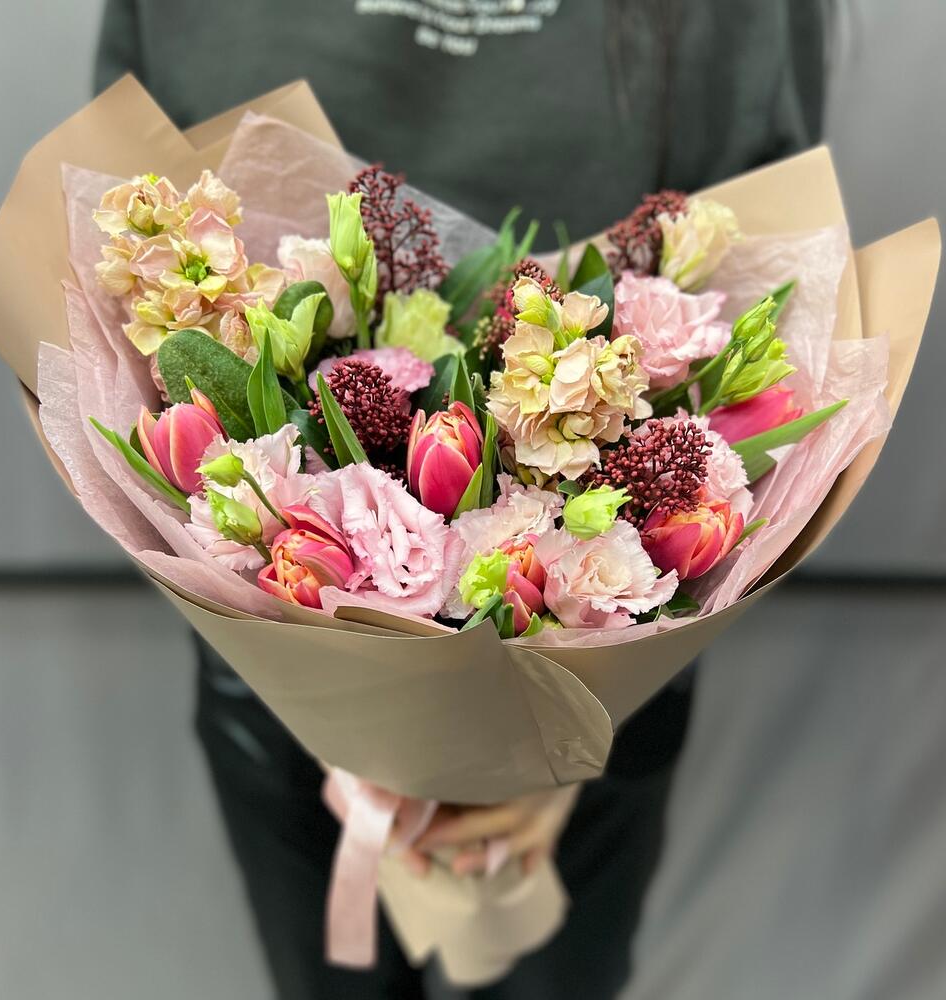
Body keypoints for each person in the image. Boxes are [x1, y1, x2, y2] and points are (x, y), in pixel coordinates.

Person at [95, 3, 830, 997]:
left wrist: (565, 735)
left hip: (605, 654)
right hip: (274, 656)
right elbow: (125, 249)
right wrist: (335, 700)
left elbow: (767, 253)